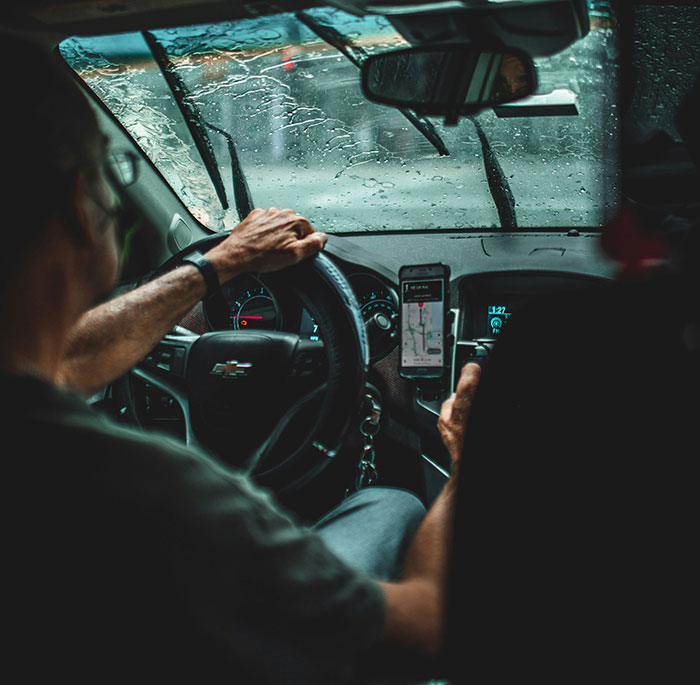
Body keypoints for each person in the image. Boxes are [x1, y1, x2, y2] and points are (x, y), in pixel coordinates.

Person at [0, 34, 481, 683]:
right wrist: (468, 462)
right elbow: (422, 628)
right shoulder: (156, 495)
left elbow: (65, 358)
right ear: (80, 213)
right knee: (394, 503)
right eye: (111, 172)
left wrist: (219, 262)